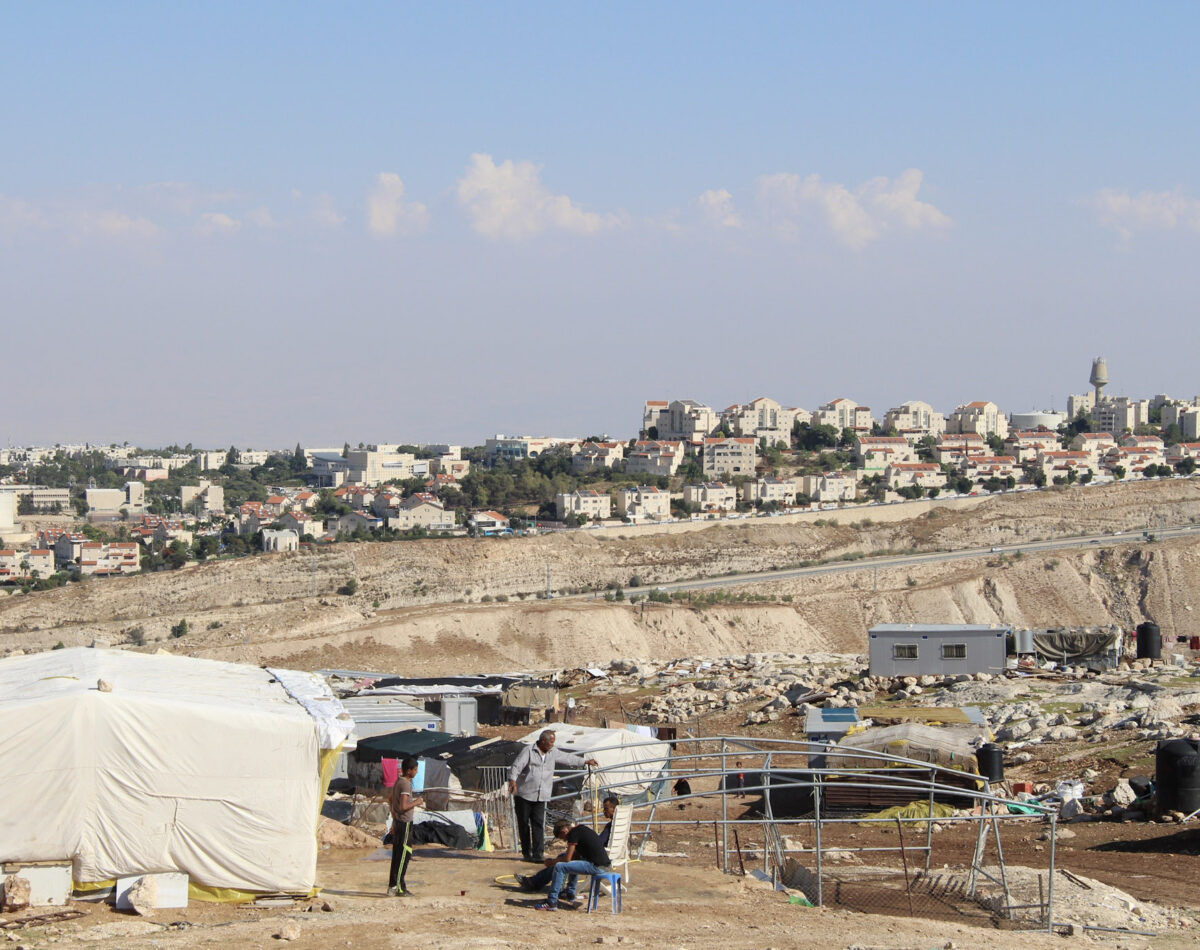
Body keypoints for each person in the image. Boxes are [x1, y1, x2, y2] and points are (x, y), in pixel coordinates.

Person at [507, 730, 598, 863]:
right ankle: (527, 853)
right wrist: (512, 781)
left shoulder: (552, 752)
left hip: (541, 795)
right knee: (524, 824)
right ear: (542, 741)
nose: (552, 745)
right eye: (550, 742)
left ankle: (538, 854)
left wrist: (584, 761)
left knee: (538, 823)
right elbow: (516, 766)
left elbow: (567, 758)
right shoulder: (528, 751)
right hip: (525, 794)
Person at [518, 796, 618, 893]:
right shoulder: (615, 825)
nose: (604, 811)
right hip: (601, 858)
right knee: (566, 858)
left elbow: (598, 843)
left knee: (561, 863)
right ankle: (566, 890)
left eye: (606, 808)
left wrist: (553, 861)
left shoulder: (609, 827)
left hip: (597, 862)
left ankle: (549, 892)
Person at [534, 819, 611, 911]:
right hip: (604, 864)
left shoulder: (573, 834)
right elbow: (575, 856)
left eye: (563, 837)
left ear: (564, 831)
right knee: (572, 860)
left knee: (560, 866)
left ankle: (551, 902)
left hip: (597, 866)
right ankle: (569, 893)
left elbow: (567, 859)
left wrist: (552, 862)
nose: (565, 840)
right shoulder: (581, 829)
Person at [387, 756, 422, 896]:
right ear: (409, 771)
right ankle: (399, 888)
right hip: (405, 824)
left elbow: (390, 800)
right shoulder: (406, 784)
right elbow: (402, 806)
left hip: (398, 822)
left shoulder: (399, 782)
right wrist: (417, 802)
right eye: (415, 769)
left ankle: (392, 887)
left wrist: (394, 819)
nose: (416, 772)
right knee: (403, 856)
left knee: (397, 856)